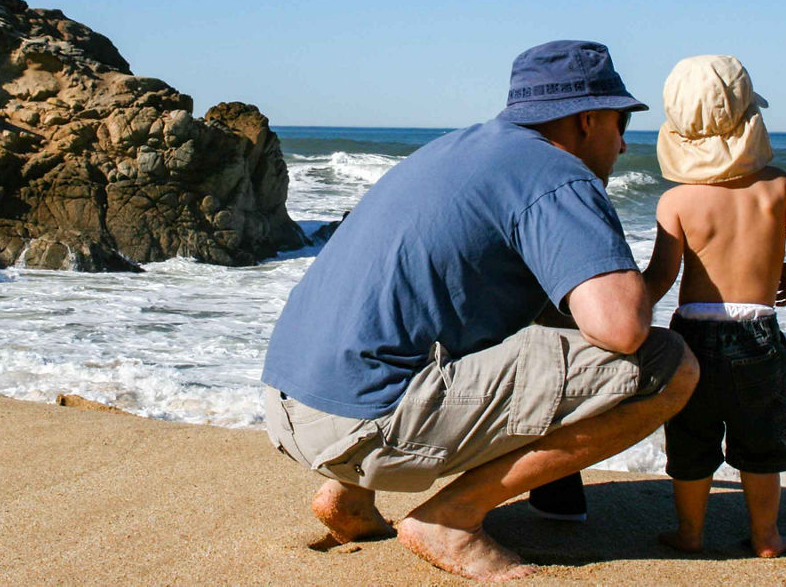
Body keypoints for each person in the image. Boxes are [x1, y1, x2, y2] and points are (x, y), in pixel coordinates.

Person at [262, 40, 700, 581]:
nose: (625, 146)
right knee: (670, 366)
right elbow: (622, 330)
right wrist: (666, 265)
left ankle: (350, 496)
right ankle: (451, 517)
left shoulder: (459, 150)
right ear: (587, 120)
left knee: (501, 320)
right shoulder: (557, 173)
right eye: (621, 124)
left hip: (287, 407)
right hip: (366, 426)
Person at [640, 54, 786, 559]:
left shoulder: (677, 200)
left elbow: (661, 276)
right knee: (761, 437)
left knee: (691, 439)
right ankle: (767, 537)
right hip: (758, 334)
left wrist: (630, 311)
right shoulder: (778, 184)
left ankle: (691, 534)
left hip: (694, 336)